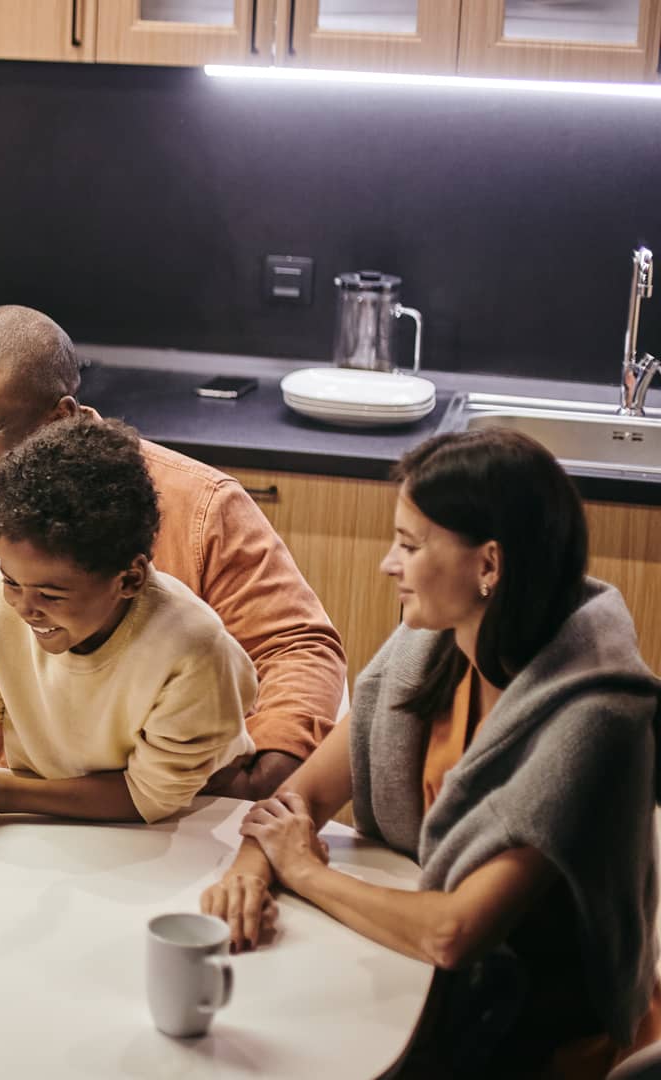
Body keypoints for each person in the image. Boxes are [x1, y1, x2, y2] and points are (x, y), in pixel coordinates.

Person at [200, 429, 660, 1077]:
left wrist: (302, 871)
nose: (389, 564)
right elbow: (300, 796)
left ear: (489, 566)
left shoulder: (594, 721)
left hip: (530, 1023)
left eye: (410, 546)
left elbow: (454, 932)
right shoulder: (435, 648)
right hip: (415, 961)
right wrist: (250, 867)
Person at [0, 305, 345, 799]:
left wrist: (270, 768)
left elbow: (297, 649)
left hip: (156, 809)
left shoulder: (201, 507)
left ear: (60, 418)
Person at [0, 418, 256, 827]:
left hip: (188, 823)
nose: (24, 607)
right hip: (51, 815)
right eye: (12, 582)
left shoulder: (192, 649)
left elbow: (147, 796)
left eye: (51, 595)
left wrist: (1, 792)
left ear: (129, 579)